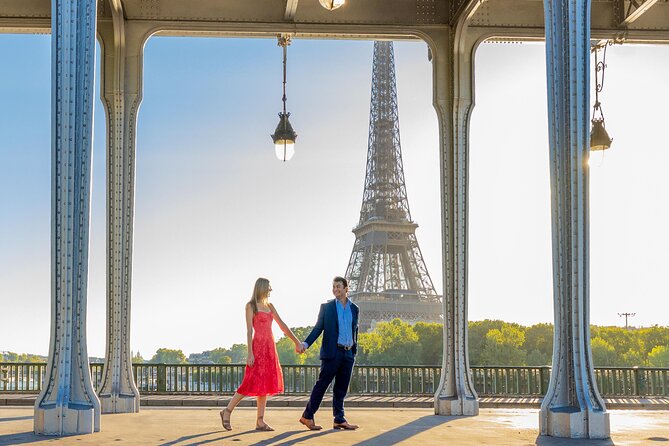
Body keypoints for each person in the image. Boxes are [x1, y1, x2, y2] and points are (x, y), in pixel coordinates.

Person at [220, 277, 304, 431]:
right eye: (268, 288)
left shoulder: (270, 306)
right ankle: (227, 411)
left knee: (264, 385)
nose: (270, 290)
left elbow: (283, 326)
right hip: (257, 348)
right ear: (262, 288)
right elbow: (249, 330)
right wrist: (250, 353)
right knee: (249, 382)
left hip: (270, 348)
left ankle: (260, 421)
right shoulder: (251, 306)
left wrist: (297, 342)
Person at [299, 276, 360, 430]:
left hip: (348, 353)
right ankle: (307, 415)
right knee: (322, 385)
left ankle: (339, 419)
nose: (335, 289)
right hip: (333, 353)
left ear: (346, 288)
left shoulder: (355, 308)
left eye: (338, 286)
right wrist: (306, 343)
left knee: (341, 388)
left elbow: (355, 330)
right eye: (333, 287)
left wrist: (353, 351)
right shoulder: (327, 308)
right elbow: (318, 328)